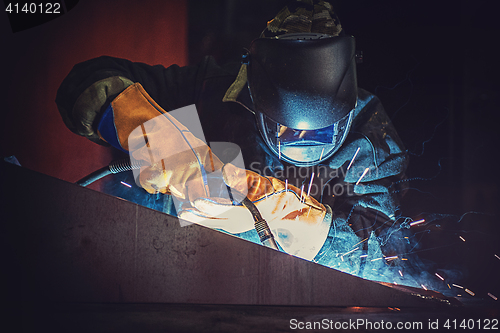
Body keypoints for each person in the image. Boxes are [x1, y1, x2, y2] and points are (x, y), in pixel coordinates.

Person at [56, 0, 409, 278]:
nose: (301, 138)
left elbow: (384, 257)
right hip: (180, 280)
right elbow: (85, 81)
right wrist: (161, 139)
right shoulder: (212, 90)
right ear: (254, 91)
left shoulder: (371, 138)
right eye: (283, 126)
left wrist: (287, 215)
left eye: (319, 130)